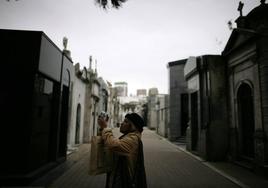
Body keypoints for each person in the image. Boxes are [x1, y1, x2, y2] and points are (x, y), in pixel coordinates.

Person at [98, 113, 147, 188]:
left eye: (126, 122)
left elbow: (113, 144)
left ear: (133, 127)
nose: (122, 123)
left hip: (123, 182)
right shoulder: (129, 136)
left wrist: (105, 128)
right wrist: (102, 129)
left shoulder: (133, 139)